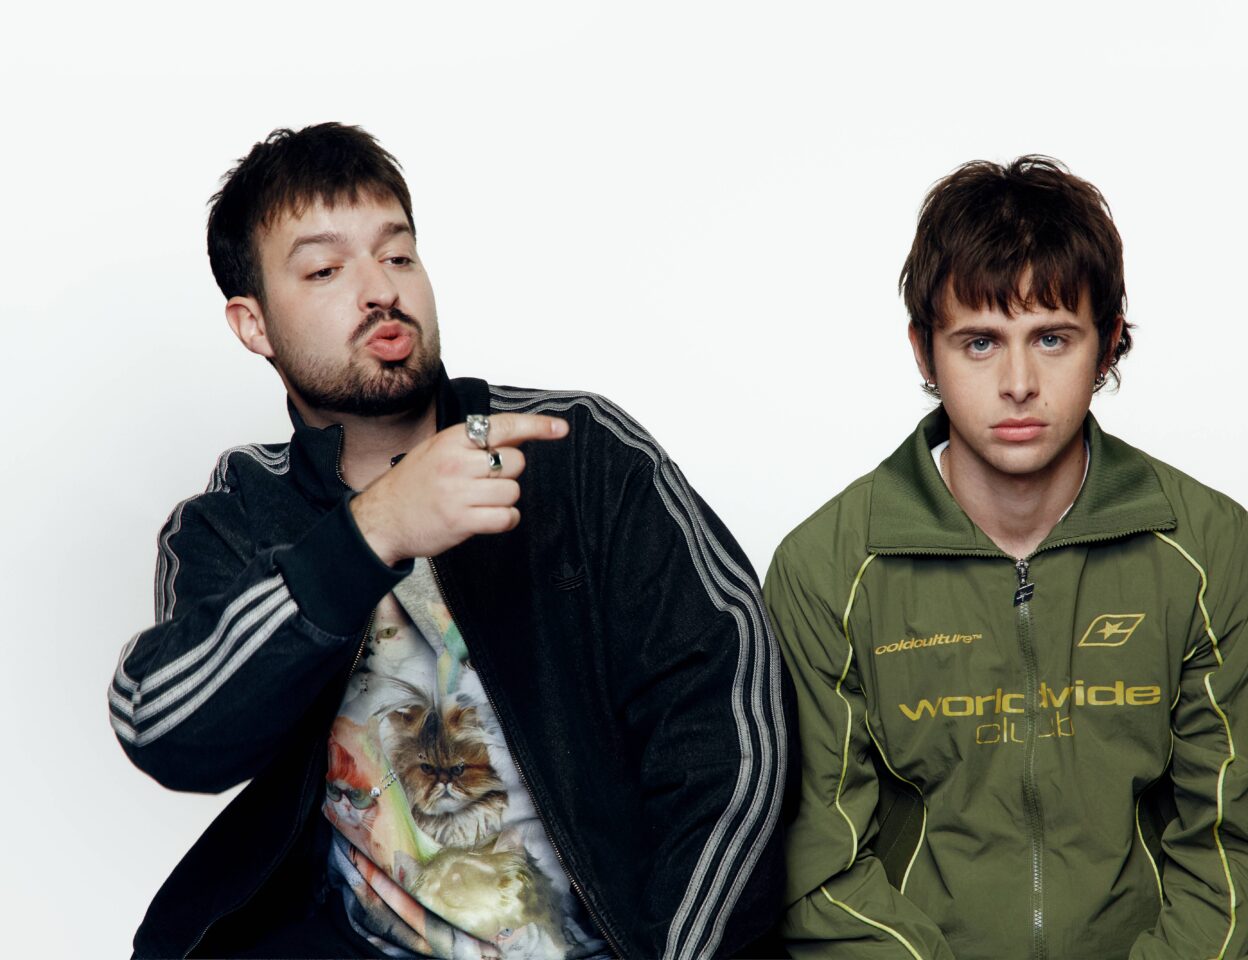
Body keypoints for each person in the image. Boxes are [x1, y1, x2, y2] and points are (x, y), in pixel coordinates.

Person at [108, 122, 793, 960]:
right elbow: (164, 724)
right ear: (254, 326)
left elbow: (731, 725)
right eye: (325, 270)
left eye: (397, 256)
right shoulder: (241, 514)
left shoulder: (575, 455)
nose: (379, 291)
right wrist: (377, 529)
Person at [764, 156, 1248, 959]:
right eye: (980, 342)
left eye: (1052, 338)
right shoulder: (828, 571)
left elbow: (1241, 852)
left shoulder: (1213, 555)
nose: (1018, 382)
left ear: (1109, 341)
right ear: (924, 353)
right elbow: (817, 870)